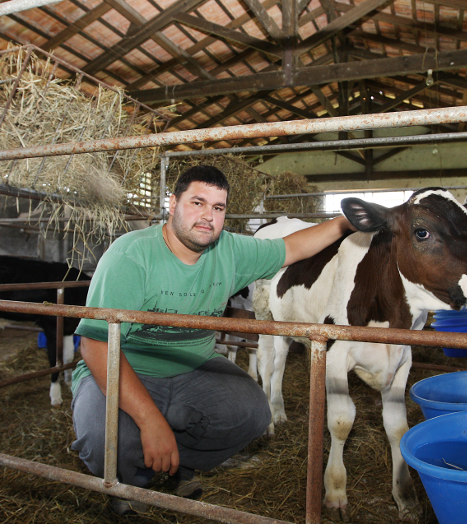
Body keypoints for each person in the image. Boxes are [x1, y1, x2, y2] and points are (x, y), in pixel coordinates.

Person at [70, 165, 355, 516]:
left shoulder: (230, 250)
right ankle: (129, 486)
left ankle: (175, 462)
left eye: (218, 208)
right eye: (198, 203)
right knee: (103, 438)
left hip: (196, 366)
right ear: (172, 204)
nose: (208, 217)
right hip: (126, 367)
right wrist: (150, 421)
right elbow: (95, 345)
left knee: (251, 413)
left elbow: (292, 248)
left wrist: (346, 223)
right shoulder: (131, 255)